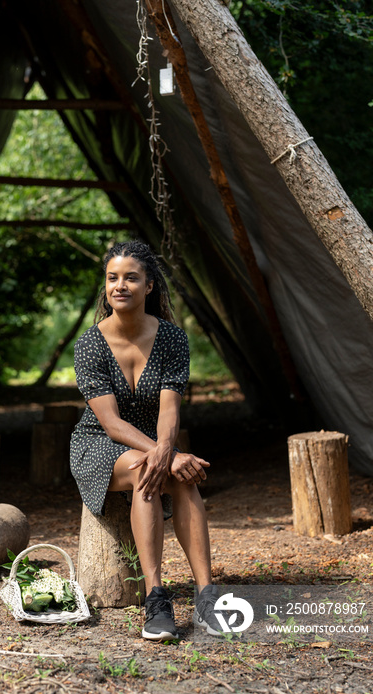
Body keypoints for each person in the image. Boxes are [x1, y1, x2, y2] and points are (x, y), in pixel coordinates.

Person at [70, 240, 220, 641]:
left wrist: (166, 452)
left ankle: (207, 597)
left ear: (149, 286)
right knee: (144, 467)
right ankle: (157, 597)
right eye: (112, 277)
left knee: (177, 474)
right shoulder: (89, 344)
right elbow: (112, 424)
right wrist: (163, 454)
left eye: (131, 277)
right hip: (98, 443)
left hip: (154, 441)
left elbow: (170, 411)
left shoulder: (172, 339)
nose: (120, 285)